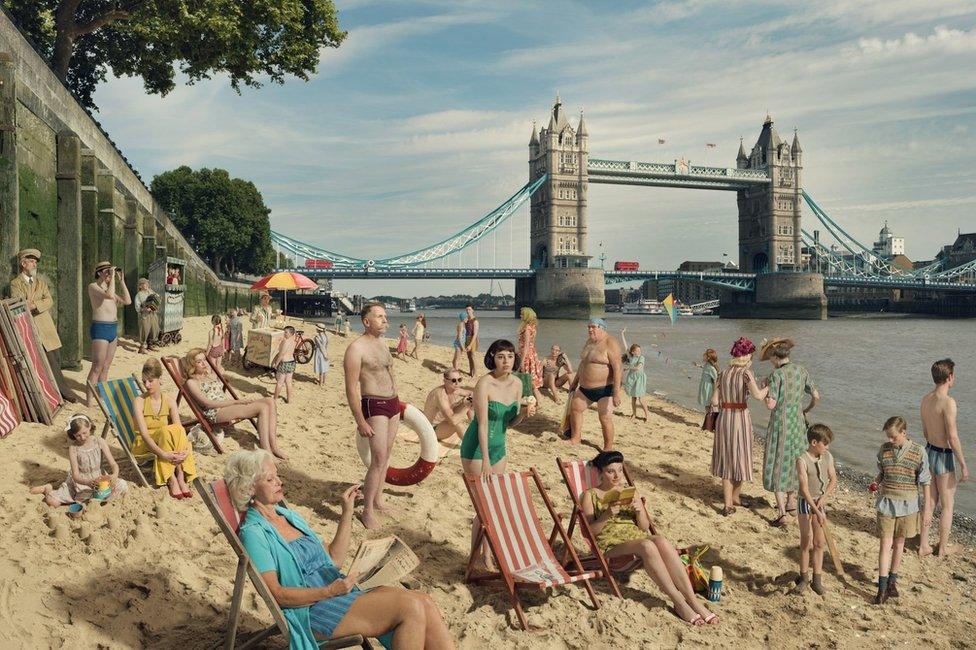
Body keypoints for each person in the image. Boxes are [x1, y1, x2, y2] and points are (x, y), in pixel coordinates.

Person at [228, 449, 455, 650]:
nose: (279, 481)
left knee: (424, 600)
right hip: (313, 610)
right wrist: (329, 592)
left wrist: (346, 512)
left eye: (277, 475)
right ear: (250, 488)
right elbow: (277, 595)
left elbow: (334, 560)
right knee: (409, 606)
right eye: (270, 479)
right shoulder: (254, 533)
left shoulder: (288, 516)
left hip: (339, 592)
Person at [581, 450, 718, 626]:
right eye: (610, 471)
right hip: (610, 544)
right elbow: (590, 532)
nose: (616, 475)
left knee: (659, 540)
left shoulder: (629, 492)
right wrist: (607, 514)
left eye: (620, 470)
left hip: (635, 537)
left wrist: (639, 512)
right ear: (600, 472)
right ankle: (679, 602)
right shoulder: (589, 495)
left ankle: (693, 601)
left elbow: (644, 527)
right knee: (647, 546)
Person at [460, 339, 534, 567]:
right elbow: (481, 424)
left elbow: (511, 423)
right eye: (501, 356)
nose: (506, 361)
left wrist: (523, 412)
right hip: (476, 449)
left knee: (492, 505)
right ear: (492, 357)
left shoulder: (518, 383)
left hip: (500, 447)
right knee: (484, 506)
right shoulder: (485, 384)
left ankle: (483, 557)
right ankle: (483, 558)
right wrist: (485, 462)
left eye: (510, 356)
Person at [343, 302, 399, 530]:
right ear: (367, 321)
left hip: (393, 404)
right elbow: (351, 389)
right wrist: (360, 421)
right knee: (377, 459)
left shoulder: (383, 344)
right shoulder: (356, 349)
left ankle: (377, 499)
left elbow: (390, 373)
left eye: (385, 316)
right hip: (373, 404)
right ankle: (366, 512)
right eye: (379, 317)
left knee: (386, 456)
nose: (385, 320)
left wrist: (398, 400)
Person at [182, 348, 285, 459]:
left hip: (227, 406)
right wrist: (237, 402)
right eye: (199, 362)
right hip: (216, 412)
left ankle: (274, 446)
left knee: (270, 401)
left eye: (204, 360)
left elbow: (221, 369)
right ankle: (267, 451)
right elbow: (208, 404)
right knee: (262, 407)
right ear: (192, 365)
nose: (204, 363)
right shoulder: (191, 382)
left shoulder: (210, 375)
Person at [760, 337, 820, 528]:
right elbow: (816, 396)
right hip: (798, 422)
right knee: (796, 459)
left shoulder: (776, 376)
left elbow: (771, 405)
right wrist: (806, 410)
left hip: (781, 422)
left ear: (775, 357)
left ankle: (782, 513)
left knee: (778, 461)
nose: (769, 360)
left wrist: (763, 391)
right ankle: (792, 502)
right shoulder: (801, 371)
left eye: (770, 357)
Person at [8, 248, 80, 402]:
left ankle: (59, 392)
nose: (35, 265)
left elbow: (49, 301)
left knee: (56, 360)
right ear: (23, 263)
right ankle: (64, 394)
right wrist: (35, 303)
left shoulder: (41, 283)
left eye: (35, 262)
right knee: (41, 364)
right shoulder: (15, 284)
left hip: (47, 329)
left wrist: (33, 304)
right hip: (30, 328)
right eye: (32, 261)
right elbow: (18, 303)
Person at [873, 416, 931, 605]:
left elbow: (925, 481)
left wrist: (927, 508)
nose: (890, 440)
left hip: (908, 505)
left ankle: (892, 582)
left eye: (893, 437)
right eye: (888, 436)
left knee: (899, 545)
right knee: (884, 545)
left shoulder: (919, 451)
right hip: (886, 502)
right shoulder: (884, 450)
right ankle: (881, 590)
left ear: (904, 433)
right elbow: (882, 472)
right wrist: (876, 482)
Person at [709, 337, 768, 516]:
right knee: (741, 458)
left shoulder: (723, 373)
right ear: (747, 355)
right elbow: (758, 396)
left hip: (725, 418)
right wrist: (768, 387)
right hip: (740, 417)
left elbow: (714, 401)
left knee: (727, 460)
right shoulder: (746, 373)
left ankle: (728, 504)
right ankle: (736, 497)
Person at [919, 358, 969, 557]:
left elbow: (924, 431)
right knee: (948, 505)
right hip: (943, 455)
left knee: (929, 502)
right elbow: (952, 436)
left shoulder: (925, 399)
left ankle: (923, 545)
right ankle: (942, 548)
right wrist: (963, 464)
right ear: (950, 377)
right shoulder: (948, 402)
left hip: (928, 451)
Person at [132, 358, 197, 499]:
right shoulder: (139, 402)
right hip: (144, 444)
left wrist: (184, 450)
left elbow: (179, 429)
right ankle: (171, 479)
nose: (147, 385)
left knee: (176, 430)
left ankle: (180, 475)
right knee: (166, 431)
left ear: (160, 379)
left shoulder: (169, 401)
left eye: (150, 380)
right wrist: (163, 454)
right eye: (144, 381)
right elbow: (144, 435)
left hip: (164, 440)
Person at [30, 413, 127, 506]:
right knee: (53, 502)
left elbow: (114, 464)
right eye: (78, 435)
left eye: (85, 433)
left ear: (89, 427)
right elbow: (75, 475)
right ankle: (48, 488)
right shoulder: (74, 448)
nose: (82, 437)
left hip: (99, 478)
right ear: (73, 435)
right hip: (81, 483)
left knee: (122, 485)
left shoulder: (99, 441)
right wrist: (88, 482)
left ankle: (98, 500)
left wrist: (114, 475)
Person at [791, 424, 837, 596]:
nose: (827, 447)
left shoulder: (827, 457)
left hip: (820, 501)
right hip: (805, 503)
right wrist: (816, 510)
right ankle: (804, 577)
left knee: (819, 543)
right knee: (806, 541)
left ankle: (817, 580)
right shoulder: (802, 460)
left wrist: (823, 500)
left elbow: (833, 479)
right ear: (814, 442)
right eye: (825, 444)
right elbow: (803, 489)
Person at [568, 318, 623, 451]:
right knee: (575, 409)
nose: (590, 330)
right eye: (588, 327)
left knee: (604, 418)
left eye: (593, 327)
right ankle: (576, 438)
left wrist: (616, 393)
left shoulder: (611, 343)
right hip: (584, 389)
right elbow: (583, 364)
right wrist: (574, 382)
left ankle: (607, 447)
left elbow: (618, 368)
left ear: (602, 328)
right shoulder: (589, 342)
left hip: (605, 389)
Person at [85, 262, 132, 407]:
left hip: (113, 328)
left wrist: (122, 281)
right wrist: (112, 278)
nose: (109, 275)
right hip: (100, 328)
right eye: (106, 272)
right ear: (99, 273)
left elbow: (128, 301)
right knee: (97, 366)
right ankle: (89, 400)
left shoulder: (108, 288)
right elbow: (109, 296)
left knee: (106, 366)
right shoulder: (93, 287)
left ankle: (102, 395)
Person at [423, 369, 473, 444]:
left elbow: (472, 393)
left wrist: (469, 401)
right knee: (457, 422)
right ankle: (470, 445)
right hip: (432, 429)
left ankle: (476, 425)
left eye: (459, 380)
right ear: (445, 381)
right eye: (453, 380)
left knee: (470, 399)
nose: (457, 383)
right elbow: (453, 421)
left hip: (444, 422)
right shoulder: (440, 395)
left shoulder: (455, 390)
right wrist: (466, 406)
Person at [516, 307, 545, 405]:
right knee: (528, 377)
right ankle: (532, 397)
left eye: (522, 314)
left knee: (528, 377)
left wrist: (522, 360)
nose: (520, 315)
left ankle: (539, 399)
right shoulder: (532, 327)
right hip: (531, 353)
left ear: (527, 315)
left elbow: (526, 345)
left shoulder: (527, 328)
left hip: (527, 354)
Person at [620, 328, 650, 421]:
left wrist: (627, 368)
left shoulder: (642, 358)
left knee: (641, 399)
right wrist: (622, 334)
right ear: (633, 352)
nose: (639, 352)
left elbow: (638, 368)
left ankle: (647, 415)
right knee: (633, 398)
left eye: (640, 350)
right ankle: (634, 414)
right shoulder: (630, 356)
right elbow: (625, 345)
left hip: (639, 378)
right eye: (637, 350)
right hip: (632, 378)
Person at [133, 277, 160, 354]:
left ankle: (150, 345)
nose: (145, 285)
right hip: (145, 315)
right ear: (140, 286)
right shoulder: (139, 295)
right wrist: (145, 309)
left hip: (153, 314)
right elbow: (137, 308)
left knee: (154, 329)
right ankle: (142, 348)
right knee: (145, 330)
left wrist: (156, 305)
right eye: (143, 284)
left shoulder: (151, 291)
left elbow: (157, 298)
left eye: (146, 283)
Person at [273, 326, 298, 404]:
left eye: (286, 332)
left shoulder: (286, 342)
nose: (284, 334)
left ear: (291, 333)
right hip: (292, 362)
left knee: (280, 382)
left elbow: (281, 354)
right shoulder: (293, 341)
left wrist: (276, 364)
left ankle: (275, 399)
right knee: (289, 382)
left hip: (284, 363)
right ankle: (289, 400)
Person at [463, 305, 480, 377]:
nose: (468, 311)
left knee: (473, 355)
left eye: (469, 309)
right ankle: (470, 371)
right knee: (469, 356)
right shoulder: (466, 320)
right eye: (467, 310)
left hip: (473, 339)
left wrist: (470, 345)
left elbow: (475, 334)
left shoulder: (475, 321)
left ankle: (475, 373)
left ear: (473, 310)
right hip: (466, 338)